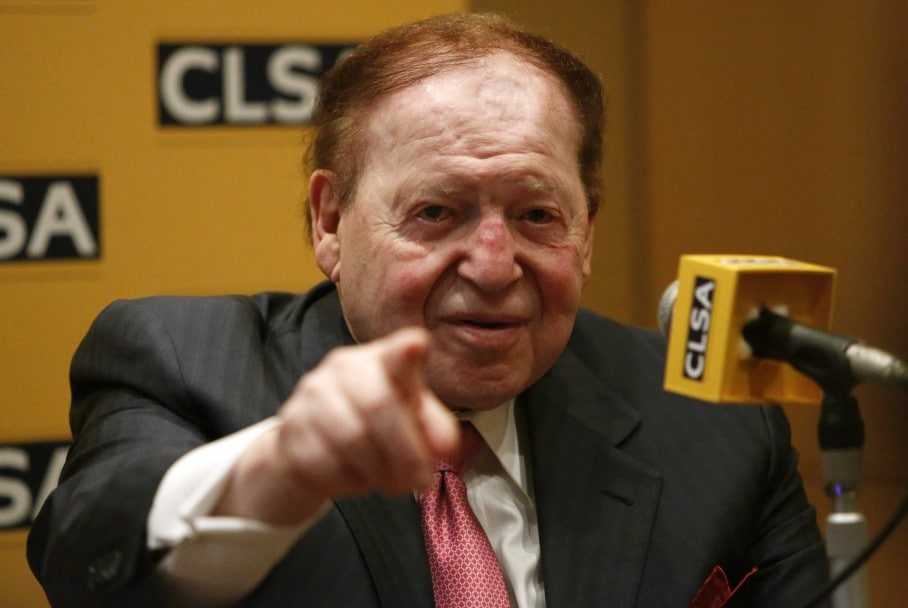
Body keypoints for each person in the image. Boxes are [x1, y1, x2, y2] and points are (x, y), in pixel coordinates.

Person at [27, 12, 830, 608]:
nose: (494, 266)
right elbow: (85, 567)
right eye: (438, 212)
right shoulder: (183, 361)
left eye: (537, 215)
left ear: (586, 230)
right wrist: (277, 472)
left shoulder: (711, 424)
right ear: (330, 221)